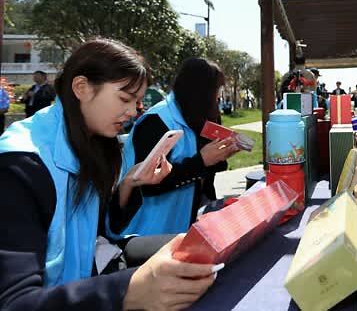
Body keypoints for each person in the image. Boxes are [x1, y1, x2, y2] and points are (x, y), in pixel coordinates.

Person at [0, 39, 217, 310]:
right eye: (125, 99)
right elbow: (15, 302)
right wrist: (127, 291)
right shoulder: (20, 166)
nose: (132, 112)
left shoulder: (90, 144)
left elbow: (99, 236)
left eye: (137, 101)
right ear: (81, 87)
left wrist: (129, 183)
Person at [115, 58, 239, 237]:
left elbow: (205, 175)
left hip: (183, 226)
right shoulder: (156, 120)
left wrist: (221, 154)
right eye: (215, 90)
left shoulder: (200, 116)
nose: (218, 96)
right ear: (199, 90)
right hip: (145, 233)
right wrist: (202, 160)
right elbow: (147, 184)